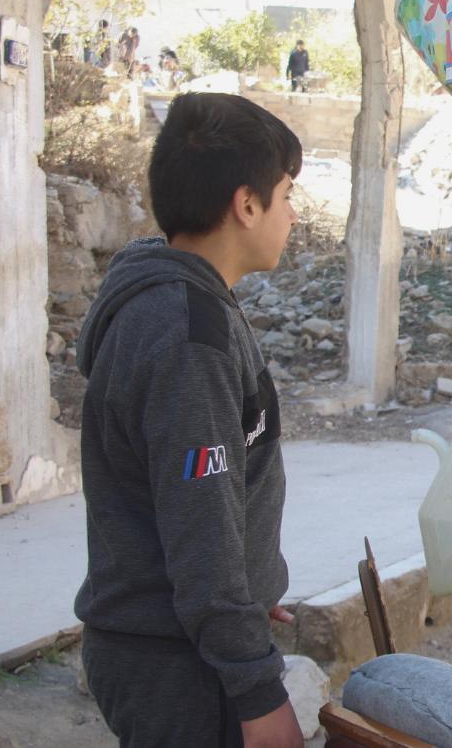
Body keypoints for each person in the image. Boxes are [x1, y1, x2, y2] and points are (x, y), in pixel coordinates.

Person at [73, 92, 304, 748]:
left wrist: (250, 588)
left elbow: (204, 504)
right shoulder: (187, 335)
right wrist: (256, 687)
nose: (291, 213)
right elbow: (200, 527)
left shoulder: (189, 306)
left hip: (182, 643)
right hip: (174, 666)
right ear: (247, 203)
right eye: (286, 194)